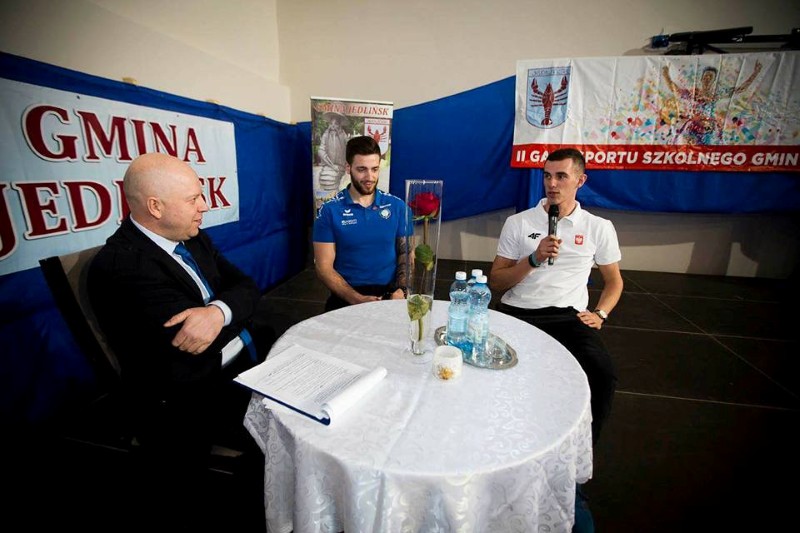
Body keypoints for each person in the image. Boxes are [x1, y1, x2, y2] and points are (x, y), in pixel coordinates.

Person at [88, 153, 272, 524]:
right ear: (155, 207)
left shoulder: (192, 237)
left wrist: (217, 313)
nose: (204, 206)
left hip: (236, 364)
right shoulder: (122, 267)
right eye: (193, 199)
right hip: (189, 399)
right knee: (290, 431)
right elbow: (196, 349)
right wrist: (236, 313)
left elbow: (247, 285)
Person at [490, 148, 623, 530]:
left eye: (561, 176)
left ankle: (575, 467)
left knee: (602, 373)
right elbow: (496, 282)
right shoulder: (519, 223)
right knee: (494, 380)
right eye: (547, 176)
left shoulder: (598, 227)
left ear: (580, 180)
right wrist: (532, 260)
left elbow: (614, 282)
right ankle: (498, 459)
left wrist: (600, 314)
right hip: (518, 313)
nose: (552, 183)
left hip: (567, 317)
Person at [313, 135, 411, 311]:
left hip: (390, 296)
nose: (369, 177)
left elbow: (406, 255)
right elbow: (323, 267)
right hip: (345, 297)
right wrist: (357, 299)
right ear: (348, 168)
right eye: (362, 169)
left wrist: (402, 290)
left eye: (374, 169)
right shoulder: (329, 211)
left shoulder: (398, 207)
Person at [661, 61, 762, 145]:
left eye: (711, 76)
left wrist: (755, 73)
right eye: (706, 75)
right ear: (701, 78)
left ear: (714, 80)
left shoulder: (716, 95)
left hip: (708, 128)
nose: (708, 78)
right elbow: (674, 89)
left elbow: (740, 89)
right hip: (692, 127)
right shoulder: (693, 93)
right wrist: (666, 75)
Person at [317, 111, 349, 194]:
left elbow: (348, 147)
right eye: (331, 123)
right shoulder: (326, 134)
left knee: (333, 180)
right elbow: (321, 149)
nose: (333, 126)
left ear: (340, 125)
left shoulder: (343, 135)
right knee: (324, 178)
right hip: (329, 165)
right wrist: (330, 164)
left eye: (336, 124)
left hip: (340, 166)